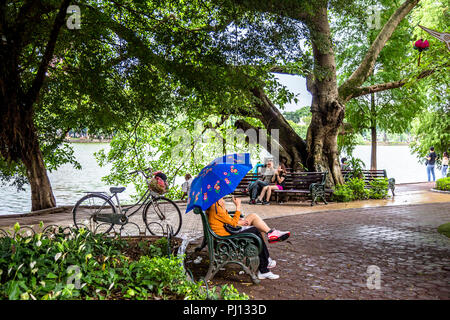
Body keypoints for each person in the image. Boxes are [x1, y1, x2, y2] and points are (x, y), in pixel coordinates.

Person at [205, 196, 291, 280]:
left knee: (254, 219)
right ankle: (264, 269)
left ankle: (270, 240)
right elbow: (232, 223)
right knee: (255, 231)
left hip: (228, 230)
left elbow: (226, 220)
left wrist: (239, 221)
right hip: (226, 238)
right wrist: (238, 206)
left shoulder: (216, 203)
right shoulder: (215, 207)